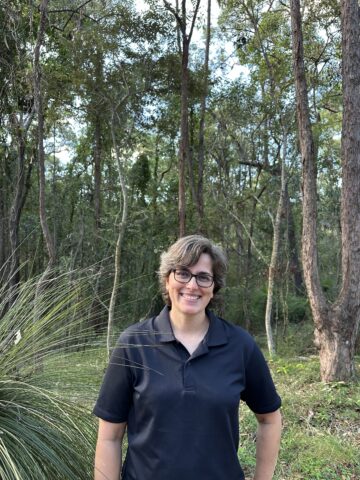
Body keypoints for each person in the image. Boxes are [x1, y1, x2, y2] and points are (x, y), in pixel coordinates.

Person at [93, 235, 282, 480]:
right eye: (183, 273)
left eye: (203, 277)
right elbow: (110, 437)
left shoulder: (240, 345)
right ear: (167, 279)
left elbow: (269, 418)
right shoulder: (133, 344)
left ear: (214, 287)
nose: (192, 285)